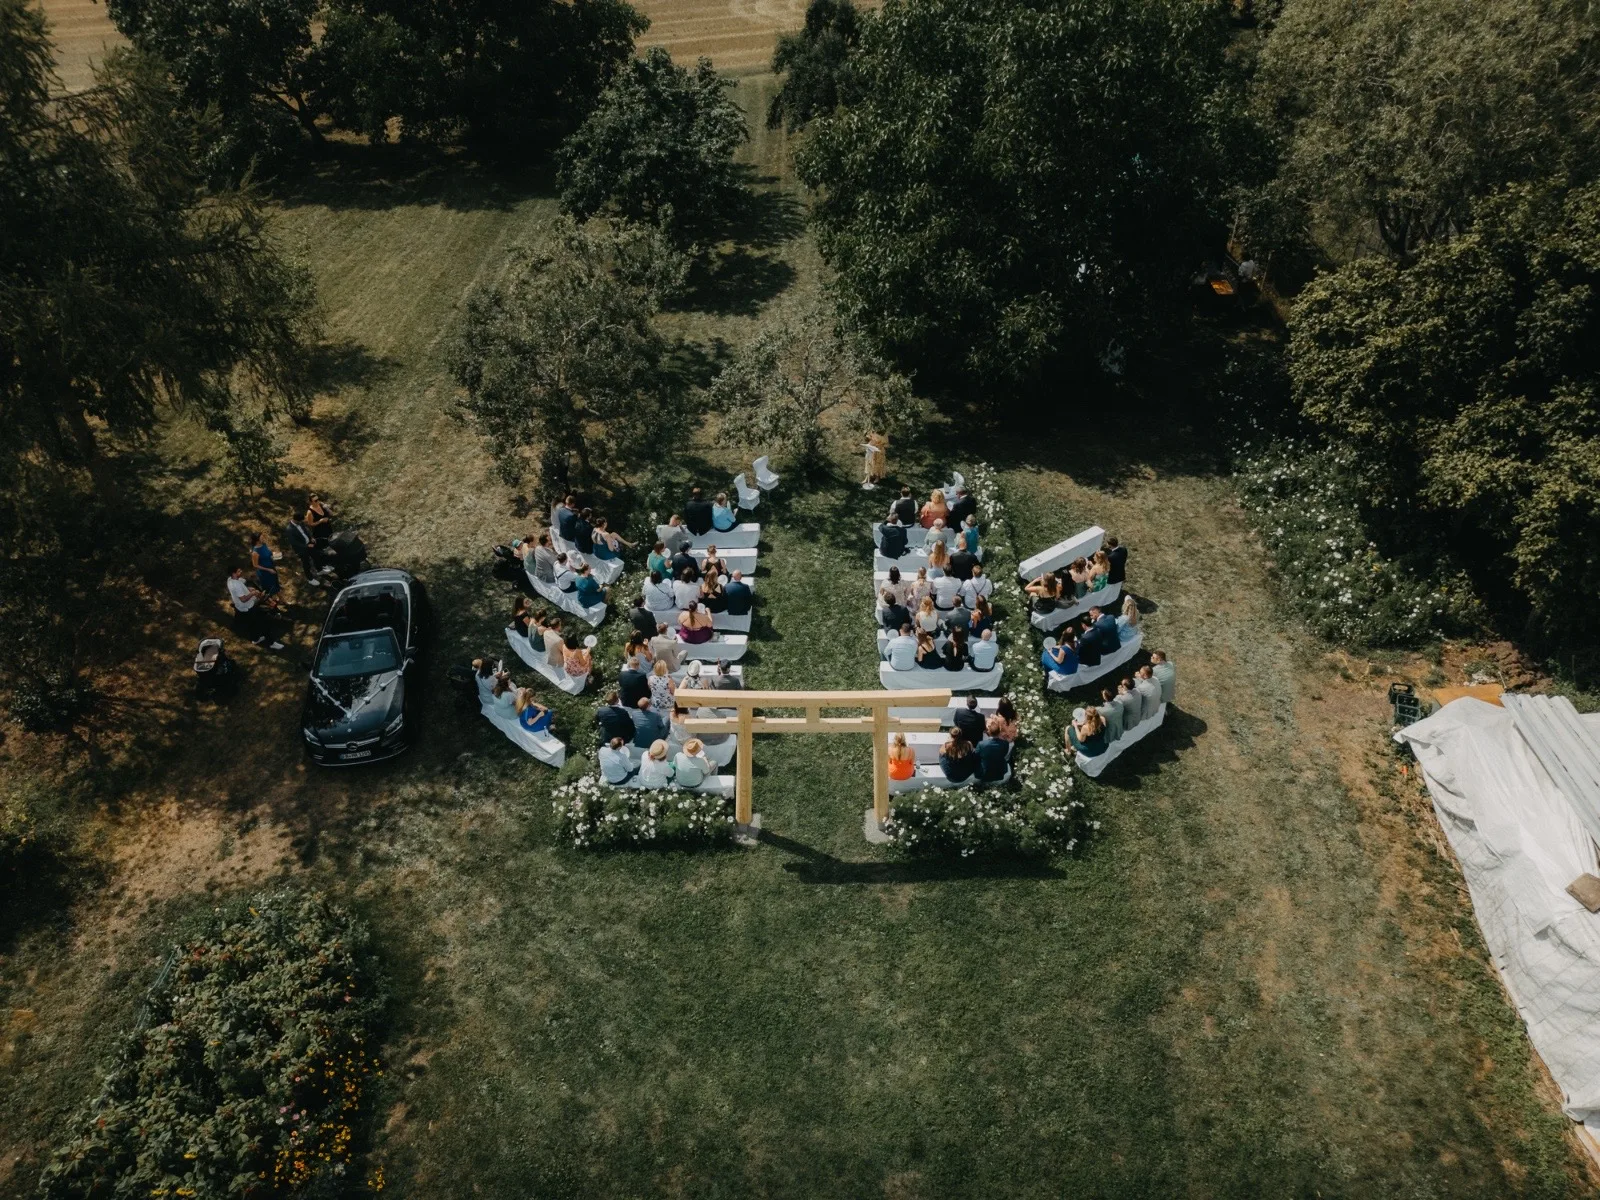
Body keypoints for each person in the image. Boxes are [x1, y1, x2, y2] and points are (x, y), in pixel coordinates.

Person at [226, 567, 283, 650]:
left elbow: (241, 589)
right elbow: (243, 599)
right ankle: (271, 643)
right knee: (264, 623)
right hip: (248, 607)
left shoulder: (230, 580)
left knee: (252, 624)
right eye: (238, 571)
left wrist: (248, 589)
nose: (241, 571)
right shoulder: (236, 585)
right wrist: (253, 593)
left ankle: (255, 639)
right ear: (234, 574)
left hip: (241, 609)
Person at [284, 511, 327, 587]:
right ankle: (310, 579)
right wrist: (307, 546)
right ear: (296, 520)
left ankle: (319, 570)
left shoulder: (300, 523)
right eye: (301, 521)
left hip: (309, 544)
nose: (302, 522)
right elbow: (294, 542)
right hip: (302, 549)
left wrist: (311, 538)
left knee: (316, 556)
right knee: (306, 564)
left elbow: (306, 531)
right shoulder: (289, 529)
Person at [249, 532, 281, 603]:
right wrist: (268, 570)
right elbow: (255, 565)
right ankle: (271, 602)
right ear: (257, 540)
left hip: (271, 567)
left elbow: (268, 554)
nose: (263, 538)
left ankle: (281, 599)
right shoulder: (255, 552)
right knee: (269, 587)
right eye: (261, 537)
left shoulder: (264, 545)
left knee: (275, 583)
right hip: (265, 572)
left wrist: (275, 555)